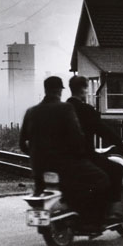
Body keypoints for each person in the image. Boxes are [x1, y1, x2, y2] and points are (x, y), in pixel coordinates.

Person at [20, 76, 110, 227]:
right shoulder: (65, 108)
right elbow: (77, 137)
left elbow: (22, 143)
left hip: (39, 169)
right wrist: (80, 154)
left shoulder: (31, 112)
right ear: (59, 91)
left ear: (45, 90)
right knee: (102, 179)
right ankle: (94, 220)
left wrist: (36, 155)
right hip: (65, 166)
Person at [67, 74, 123, 222]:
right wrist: (121, 144)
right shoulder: (86, 110)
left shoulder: (63, 108)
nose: (87, 93)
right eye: (86, 89)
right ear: (82, 90)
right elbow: (103, 130)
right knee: (117, 170)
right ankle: (112, 211)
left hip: (66, 157)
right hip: (86, 156)